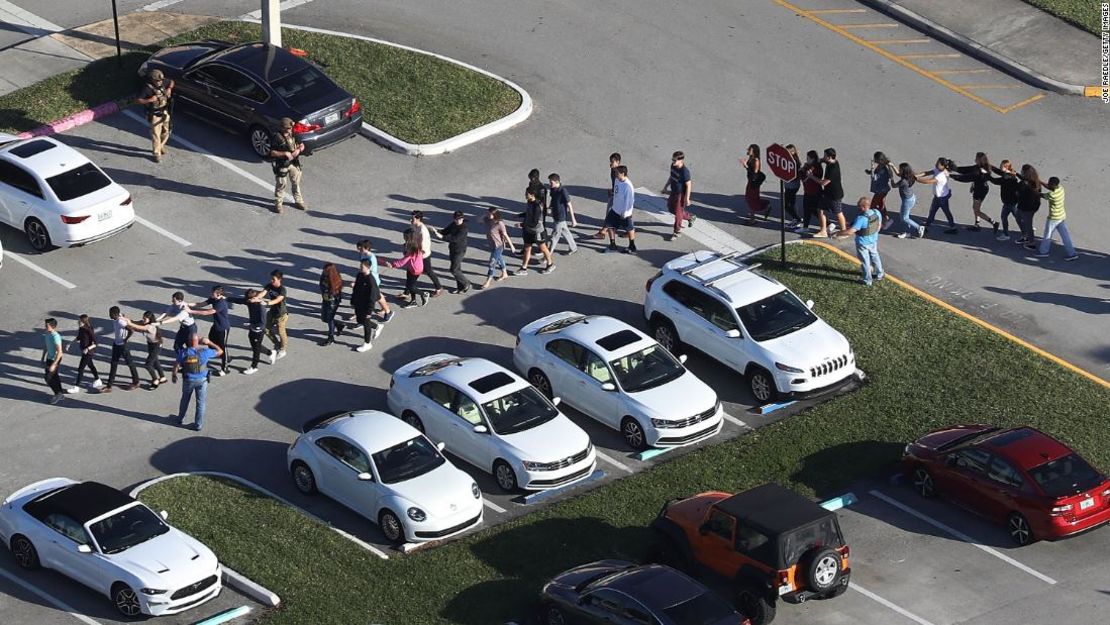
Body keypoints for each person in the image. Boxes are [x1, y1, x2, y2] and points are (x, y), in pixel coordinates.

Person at [172, 334, 221, 431]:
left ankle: (181, 419)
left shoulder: (184, 353)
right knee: (201, 403)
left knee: (185, 399)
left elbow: (176, 365)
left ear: (188, 342)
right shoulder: (205, 352)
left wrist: (174, 375)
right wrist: (209, 342)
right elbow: (220, 351)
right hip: (202, 380)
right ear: (198, 341)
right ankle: (198, 425)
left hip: (188, 380)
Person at [836, 197, 884, 286]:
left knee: (865, 261)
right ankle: (880, 273)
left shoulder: (861, 218)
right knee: (875, 255)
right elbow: (879, 225)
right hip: (873, 240)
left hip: (862, 243)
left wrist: (839, 233)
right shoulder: (877, 212)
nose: (858, 208)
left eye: (859, 206)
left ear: (864, 207)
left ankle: (867, 280)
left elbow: (850, 231)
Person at [1032, 177, 1078, 261]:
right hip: (1061, 216)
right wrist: (1040, 181)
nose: (1048, 184)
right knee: (1065, 236)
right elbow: (1049, 187)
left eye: (1049, 183)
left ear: (1053, 185)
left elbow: (1041, 195)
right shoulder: (1061, 188)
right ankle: (1072, 253)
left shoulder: (1051, 195)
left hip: (1053, 218)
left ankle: (1043, 252)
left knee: (1047, 235)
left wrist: (1033, 191)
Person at [952, 152, 999, 234]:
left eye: (976, 158)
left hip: (980, 191)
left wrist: (953, 176)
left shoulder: (980, 170)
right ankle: (977, 224)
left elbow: (967, 177)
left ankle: (994, 223)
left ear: (980, 160)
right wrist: (956, 169)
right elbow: (967, 170)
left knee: (976, 210)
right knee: (975, 208)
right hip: (980, 188)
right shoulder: (983, 167)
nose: (975, 159)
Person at [191, 286, 232, 375]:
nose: (211, 294)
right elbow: (202, 304)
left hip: (223, 328)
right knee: (211, 341)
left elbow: (207, 312)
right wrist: (188, 304)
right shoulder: (213, 299)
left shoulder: (221, 303)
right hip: (216, 326)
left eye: (212, 293)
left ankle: (225, 368)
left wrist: (191, 312)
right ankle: (223, 356)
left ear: (218, 294)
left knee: (222, 347)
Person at [269, 117, 307, 214]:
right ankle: (278, 204)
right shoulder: (276, 137)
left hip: (294, 163)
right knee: (281, 184)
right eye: (287, 128)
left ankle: (299, 201)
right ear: (282, 128)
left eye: (290, 128)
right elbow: (272, 152)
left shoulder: (294, 134)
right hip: (282, 164)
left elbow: (302, 145)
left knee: (296, 182)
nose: (289, 130)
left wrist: (298, 150)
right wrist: (285, 154)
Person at [136, 69, 174, 163]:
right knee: (156, 134)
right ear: (152, 80)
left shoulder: (164, 82)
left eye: (161, 80)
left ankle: (161, 146)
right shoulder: (147, 88)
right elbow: (138, 100)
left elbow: (172, 82)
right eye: (158, 81)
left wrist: (169, 89)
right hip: (154, 114)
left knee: (166, 130)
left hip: (164, 111)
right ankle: (156, 153)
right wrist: (149, 100)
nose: (160, 82)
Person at [916, 157, 959, 235]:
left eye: (938, 164)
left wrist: (917, 180)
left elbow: (928, 181)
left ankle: (953, 227)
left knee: (945, 211)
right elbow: (927, 173)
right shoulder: (938, 170)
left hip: (942, 198)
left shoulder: (941, 175)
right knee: (933, 210)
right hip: (939, 196)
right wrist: (916, 175)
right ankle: (928, 224)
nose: (936, 164)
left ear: (943, 166)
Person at [518, 188, 556, 273]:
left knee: (543, 248)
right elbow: (528, 213)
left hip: (537, 231)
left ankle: (550, 264)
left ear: (532, 195)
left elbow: (534, 221)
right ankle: (523, 268)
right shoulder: (529, 202)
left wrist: (522, 225)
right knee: (527, 248)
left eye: (526, 194)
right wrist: (519, 215)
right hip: (528, 230)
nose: (525, 195)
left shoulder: (537, 206)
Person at [350, 260, 384, 352]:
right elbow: (356, 288)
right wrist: (353, 300)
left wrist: (369, 311)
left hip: (366, 305)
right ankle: (377, 326)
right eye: (360, 266)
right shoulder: (360, 275)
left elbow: (372, 298)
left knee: (366, 323)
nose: (360, 268)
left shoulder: (371, 280)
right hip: (359, 302)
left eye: (362, 267)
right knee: (360, 320)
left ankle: (367, 343)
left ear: (368, 267)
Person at [356, 239, 394, 322]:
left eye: (361, 248)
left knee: (378, 296)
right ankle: (385, 309)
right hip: (368, 278)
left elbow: (369, 269)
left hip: (372, 280)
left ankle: (388, 311)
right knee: (378, 295)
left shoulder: (371, 257)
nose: (359, 249)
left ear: (367, 248)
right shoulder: (363, 254)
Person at [387, 229, 426, 308]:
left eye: (405, 236)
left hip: (415, 270)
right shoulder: (414, 245)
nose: (403, 237)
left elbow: (403, 261)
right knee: (410, 284)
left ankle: (423, 294)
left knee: (411, 286)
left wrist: (393, 265)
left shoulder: (412, 249)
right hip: (411, 267)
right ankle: (413, 300)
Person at [105, 306, 140, 392]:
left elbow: (131, 330)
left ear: (115, 314)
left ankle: (136, 382)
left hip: (123, 346)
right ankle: (109, 386)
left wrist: (125, 339)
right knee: (113, 364)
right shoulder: (118, 317)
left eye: (111, 314)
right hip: (116, 344)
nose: (109, 316)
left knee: (130, 363)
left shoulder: (120, 322)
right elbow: (122, 315)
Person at [436, 211, 473, 293]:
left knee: (454, 270)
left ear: (463, 219)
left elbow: (455, 239)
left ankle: (466, 283)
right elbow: (445, 231)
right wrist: (437, 231)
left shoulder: (464, 228)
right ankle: (460, 287)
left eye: (459, 219)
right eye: (456, 219)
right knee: (457, 269)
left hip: (459, 250)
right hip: (452, 249)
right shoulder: (453, 224)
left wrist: (442, 237)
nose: (458, 221)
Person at [603, 165, 638, 253]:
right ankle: (612, 244)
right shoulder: (617, 180)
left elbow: (629, 201)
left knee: (629, 228)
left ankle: (632, 246)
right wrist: (612, 193)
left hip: (624, 213)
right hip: (615, 209)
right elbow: (616, 191)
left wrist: (625, 213)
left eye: (617, 173)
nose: (615, 174)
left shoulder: (628, 186)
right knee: (609, 225)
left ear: (623, 174)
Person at [479, 208, 515, 289]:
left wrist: (511, 246)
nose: (488, 215)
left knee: (492, 263)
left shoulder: (500, 223)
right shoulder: (487, 219)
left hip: (499, 246)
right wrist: (485, 215)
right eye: (487, 213)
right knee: (499, 259)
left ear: (495, 215)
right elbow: (479, 220)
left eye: (490, 214)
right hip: (491, 245)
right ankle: (504, 273)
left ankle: (488, 281)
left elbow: (505, 235)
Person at [236, 289, 270, 375]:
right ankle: (270, 352)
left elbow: (262, 324)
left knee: (256, 349)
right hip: (252, 329)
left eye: (249, 299)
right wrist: (226, 298)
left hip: (258, 331)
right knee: (255, 346)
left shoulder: (261, 307)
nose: (247, 301)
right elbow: (239, 300)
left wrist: (250, 325)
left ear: (254, 298)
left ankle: (254, 367)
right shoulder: (249, 301)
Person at [411, 211, 444, 298]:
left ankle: (439, 288)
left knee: (428, 271)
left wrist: (417, 254)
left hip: (423, 254)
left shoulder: (423, 230)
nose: (411, 219)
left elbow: (423, 247)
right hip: (417, 251)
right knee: (421, 270)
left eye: (413, 218)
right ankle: (409, 289)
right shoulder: (414, 225)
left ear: (418, 219)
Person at [661, 151, 694, 239]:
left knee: (678, 213)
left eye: (675, 160)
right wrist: (665, 187)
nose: (673, 162)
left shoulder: (685, 172)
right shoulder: (673, 166)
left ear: (681, 160)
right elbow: (671, 177)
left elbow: (689, 185)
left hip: (681, 194)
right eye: (672, 160)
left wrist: (687, 198)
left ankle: (677, 231)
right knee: (671, 208)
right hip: (673, 192)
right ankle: (690, 217)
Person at [989, 159, 1023, 241]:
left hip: (1009, 202)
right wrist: (989, 166)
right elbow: (997, 171)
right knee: (1017, 218)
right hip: (1011, 202)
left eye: (1002, 166)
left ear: (1006, 167)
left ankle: (1008, 234)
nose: (1000, 167)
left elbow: (995, 181)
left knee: (1007, 217)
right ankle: (1026, 230)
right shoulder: (1011, 175)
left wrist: (987, 175)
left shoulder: (1007, 177)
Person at [592, 153, 623, 239]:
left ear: (618, 162)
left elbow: (621, 186)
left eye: (612, 162)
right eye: (610, 162)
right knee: (619, 216)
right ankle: (629, 231)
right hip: (614, 195)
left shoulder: (619, 173)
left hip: (617, 197)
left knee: (610, 214)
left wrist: (614, 192)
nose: (610, 164)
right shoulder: (613, 171)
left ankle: (603, 232)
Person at [817, 148, 847, 236]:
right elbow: (823, 160)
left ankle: (843, 231)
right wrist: (820, 160)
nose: (823, 157)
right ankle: (823, 231)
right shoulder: (832, 161)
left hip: (835, 195)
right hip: (827, 193)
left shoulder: (833, 169)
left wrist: (811, 177)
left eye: (825, 156)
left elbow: (824, 182)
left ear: (829, 157)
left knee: (838, 213)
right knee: (820, 209)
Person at [547, 173, 578, 254]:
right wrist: (550, 208)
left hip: (560, 217)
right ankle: (573, 247)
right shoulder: (553, 189)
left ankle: (548, 255)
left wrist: (573, 219)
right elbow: (553, 200)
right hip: (555, 215)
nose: (550, 184)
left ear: (557, 182)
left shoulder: (563, 191)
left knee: (554, 236)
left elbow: (569, 205)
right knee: (565, 232)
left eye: (551, 182)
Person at [72, 314, 104, 391]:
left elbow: (95, 343)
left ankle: (76, 387)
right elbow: (78, 337)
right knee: (91, 365)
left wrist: (87, 348)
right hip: (84, 351)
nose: (78, 322)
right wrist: (70, 343)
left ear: (84, 322)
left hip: (89, 352)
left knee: (80, 369)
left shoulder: (89, 330)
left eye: (79, 321)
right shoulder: (81, 329)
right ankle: (98, 380)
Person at [865, 151, 896, 230]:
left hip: (881, 190)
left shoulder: (883, 169)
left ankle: (873, 222)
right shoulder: (882, 166)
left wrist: (871, 168)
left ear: (879, 160)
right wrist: (870, 171)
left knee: (872, 206)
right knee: (881, 204)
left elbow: (874, 177)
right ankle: (886, 218)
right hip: (883, 189)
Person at [893, 163, 925, 239]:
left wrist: (891, 177)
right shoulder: (910, 176)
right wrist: (892, 166)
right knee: (903, 216)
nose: (899, 171)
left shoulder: (903, 181)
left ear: (903, 172)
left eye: (900, 169)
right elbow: (898, 174)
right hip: (911, 198)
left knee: (904, 218)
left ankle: (918, 227)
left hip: (907, 201)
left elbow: (893, 185)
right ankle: (906, 231)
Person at [740, 144, 771, 222]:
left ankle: (754, 217)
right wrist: (746, 164)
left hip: (754, 183)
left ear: (754, 151)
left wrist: (746, 166)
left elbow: (754, 174)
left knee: (752, 200)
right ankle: (753, 216)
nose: (748, 150)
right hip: (750, 181)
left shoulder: (756, 160)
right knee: (749, 198)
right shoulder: (751, 158)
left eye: (749, 149)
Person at [136, 312, 166, 389]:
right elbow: (134, 322)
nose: (143, 319)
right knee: (155, 361)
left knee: (148, 364)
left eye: (145, 318)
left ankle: (155, 380)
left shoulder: (150, 326)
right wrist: (124, 318)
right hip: (150, 344)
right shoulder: (145, 323)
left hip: (156, 345)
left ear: (149, 319)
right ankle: (162, 377)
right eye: (143, 318)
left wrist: (128, 323)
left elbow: (135, 326)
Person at [263, 270, 289, 362]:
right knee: (266, 329)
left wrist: (267, 303)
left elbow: (278, 300)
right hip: (272, 312)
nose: (271, 281)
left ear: (279, 279)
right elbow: (262, 293)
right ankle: (277, 344)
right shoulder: (269, 286)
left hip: (281, 314)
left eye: (273, 279)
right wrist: (256, 298)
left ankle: (283, 350)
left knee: (281, 331)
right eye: (271, 278)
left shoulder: (282, 289)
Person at [42, 318, 67, 404]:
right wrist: (43, 357)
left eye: (47, 325)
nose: (45, 326)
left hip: (55, 359)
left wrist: (54, 364)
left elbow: (60, 352)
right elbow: (46, 346)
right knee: (54, 376)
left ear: (52, 326)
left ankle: (58, 393)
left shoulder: (55, 337)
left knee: (48, 377)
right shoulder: (47, 334)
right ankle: (60, 393)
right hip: (49, 358)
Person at [1015, 164, 1042, 245]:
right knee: (1018, 217)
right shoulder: (1036, 182)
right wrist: (1016, 174)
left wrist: (1017, 192)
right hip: (1033, 206)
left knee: (1028, 224)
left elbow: (1018, 193)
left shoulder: (1023, 184)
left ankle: (1031, 243)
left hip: (1026, 207)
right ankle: (1025, 235)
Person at [318, 263, 345, 345]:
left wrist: (330, 295)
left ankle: (331, 337)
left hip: (333, 301)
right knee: (324, 318)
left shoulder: (335, 279)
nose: (324, 272)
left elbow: (336, 293)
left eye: (326, 271)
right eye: (324, 270)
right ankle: (339, 324)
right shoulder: (323, 276)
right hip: (325, 299)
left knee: (329, 318)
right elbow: (321, 285)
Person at [799, 150, 824, 234]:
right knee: (808, 210)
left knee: (814, 210)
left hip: (814, 192)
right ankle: (805, 227)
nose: (806, 160)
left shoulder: (815, 168)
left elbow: (804, 177)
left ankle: (828, 224)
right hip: (808, 191)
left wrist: (805, 172)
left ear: (813, 159)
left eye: (808, 158)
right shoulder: (809, 166)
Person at [782, 144, 803, 229]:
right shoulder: (789, 159)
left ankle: (798, 219)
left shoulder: (795, 162)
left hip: (792, 185)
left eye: (788, 152)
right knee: (791, 202)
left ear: (793, 152)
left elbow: (795, 175)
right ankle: (796, 218)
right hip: (789, 184)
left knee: (787, 205)